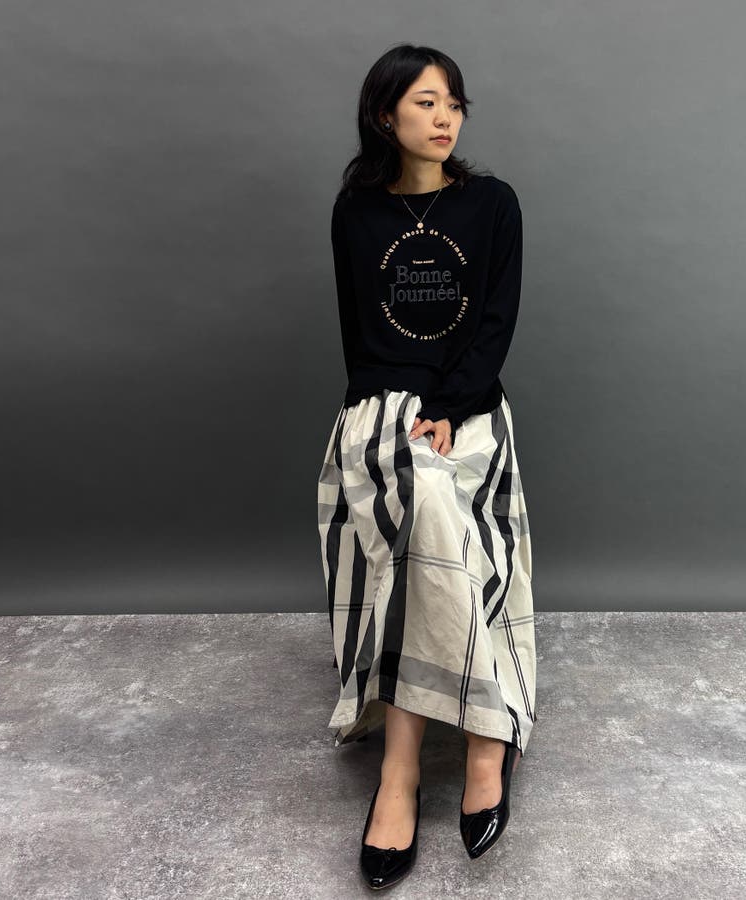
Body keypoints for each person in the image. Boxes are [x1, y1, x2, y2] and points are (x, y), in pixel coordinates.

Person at [317, 43, 538, 888]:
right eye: (425, 103)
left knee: (434, 498)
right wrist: (388, 421)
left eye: (453, 103)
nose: (445, 118)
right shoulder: (356, 212)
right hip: (382, 409)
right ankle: (476, 738)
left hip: (469, 408)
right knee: (419, 490)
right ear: (386, 115)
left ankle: (409, 763)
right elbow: (359, 337)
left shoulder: (491, 205)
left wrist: (448, 406)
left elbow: (495, 323)